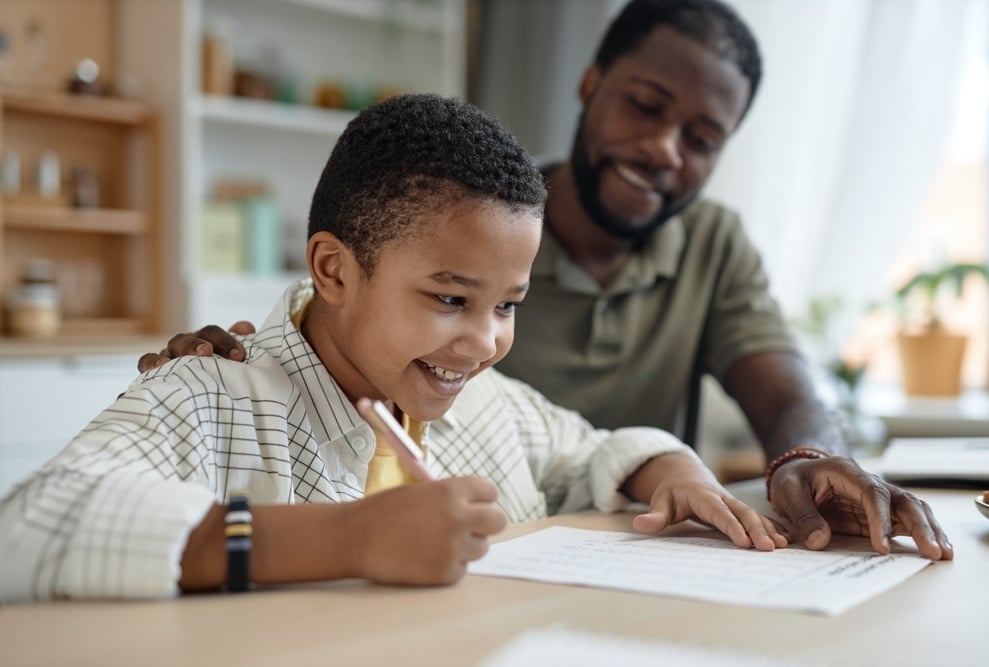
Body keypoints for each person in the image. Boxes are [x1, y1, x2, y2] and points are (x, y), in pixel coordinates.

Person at [146, 0, 954, 562]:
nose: (666, 148)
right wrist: (256, 363)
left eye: (704, 136)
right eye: (646, 104)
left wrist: (808, 458)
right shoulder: (477, 215)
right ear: (590, 83)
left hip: (589, 560)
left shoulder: (708, 243)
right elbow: (340, 320)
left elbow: (779, 386)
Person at [0, 94, 789, 604]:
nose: (484, 343)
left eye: (507, 305)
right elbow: (27, 527)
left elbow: (592, 451)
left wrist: (673, 470)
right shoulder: (214, 391)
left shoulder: (483, 402)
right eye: (450, 298)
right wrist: (353, 538)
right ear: (333, 268)